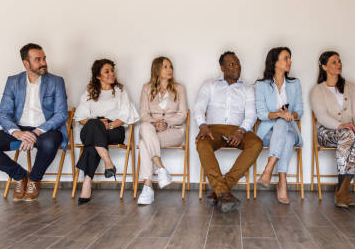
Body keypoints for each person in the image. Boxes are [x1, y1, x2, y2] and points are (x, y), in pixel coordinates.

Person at [0, 43, 68, 201]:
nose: (43, 62)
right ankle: (20, 176)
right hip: (19, 130)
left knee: (50, 143)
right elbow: (3, 113)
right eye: (38, 59)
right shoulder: (13, 81)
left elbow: (61, 114)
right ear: (26, 63)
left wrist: (36, 132)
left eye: (44, 58)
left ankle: (34, 179)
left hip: (46, 131)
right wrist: (17, 133)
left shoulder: (56, 81)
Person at [194, 51, 262, 213]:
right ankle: (223, 192)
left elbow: (251, 114)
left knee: (256, 143)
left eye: (238, 63)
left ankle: (220, 191)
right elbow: (199, 107)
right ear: (222, 68)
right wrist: (202, 125)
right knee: (202, 143)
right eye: (231, 64)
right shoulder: (210, 84)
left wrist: (241, 131)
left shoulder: (247, 89)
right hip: (213, 129)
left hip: (238, 130)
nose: (236, 66)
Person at [74, 59, 139, 204]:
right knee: (94, 125)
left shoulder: (120, 92)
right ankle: (108, 162)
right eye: (107, 71)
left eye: (112, 70)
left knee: (93, 139)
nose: (111, 74)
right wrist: (96, 123)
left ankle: (87, 183)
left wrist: (107, 126)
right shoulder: (89, 92)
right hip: (92, 127)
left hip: (114, 129)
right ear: (98, 76)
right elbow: (79, 117)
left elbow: (125, 116)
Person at [310, 51, 355, 208]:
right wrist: (341, 126)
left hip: (349, 132)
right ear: (324, 67)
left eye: (339, 61)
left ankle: (342, 190)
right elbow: (321, 116)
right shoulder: (317, 90)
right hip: (326, 132)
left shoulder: (351, 87)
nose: (338, 64)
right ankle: (343, 191)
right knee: (347, 135)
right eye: (334, 62)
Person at [255, 47, 303, 204]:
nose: (290, 61)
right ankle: (282, 181)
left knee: (284, 125)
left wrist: (289, 115)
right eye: (286, 58)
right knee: (287, 137)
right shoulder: (261, 85)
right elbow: (261, 114)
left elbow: (299, 112)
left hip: (291, 127)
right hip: (269, 134)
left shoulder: (295, 83)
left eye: (290, 58)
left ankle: (268, 169)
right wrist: (279, 114)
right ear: (275, 62)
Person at [137, 56, 188, 205]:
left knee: (144, 143)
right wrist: (155, 123)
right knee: (145, 127)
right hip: (152, 130)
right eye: (165, 67)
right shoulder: (147, 88)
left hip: (174, 131)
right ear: (157, 69)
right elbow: (144, 114)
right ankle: (160, 170)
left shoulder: (179, 88)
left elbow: (182, 114)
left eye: (170, 66)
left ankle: (148, 188)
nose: (169, 70)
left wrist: (166, 123)